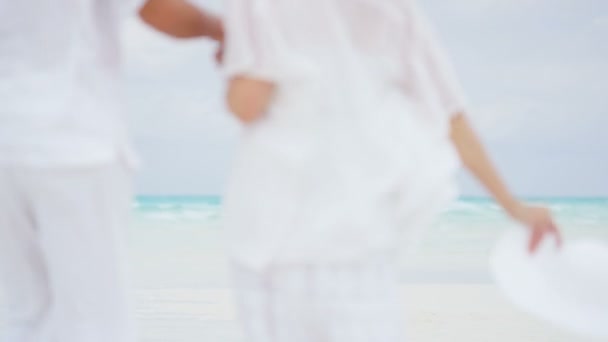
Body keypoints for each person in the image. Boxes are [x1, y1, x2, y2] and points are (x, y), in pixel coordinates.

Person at [220, 0, 562, 341]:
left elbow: (247, 105)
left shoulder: (259, 6)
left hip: (273, 237)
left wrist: (230, 50)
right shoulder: (396, 11)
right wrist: (513, 206)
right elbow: (450, 116)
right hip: (359, 237)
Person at [0, 1, 221, 341]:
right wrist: (225, 30)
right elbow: (156, 8)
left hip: (8, 141)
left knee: (24, 316)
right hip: (72, 139)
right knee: (96, 322)